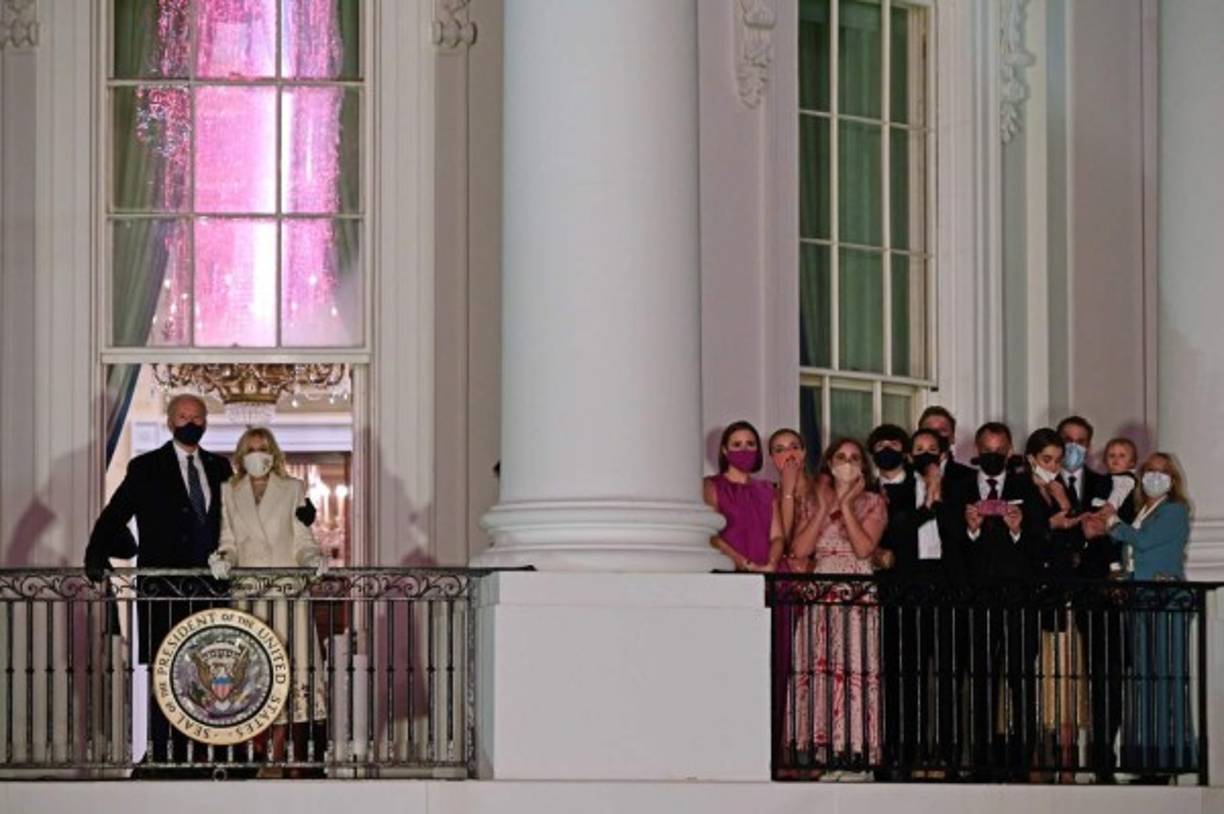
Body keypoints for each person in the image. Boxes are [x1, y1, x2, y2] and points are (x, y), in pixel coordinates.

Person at [84, 393, 233, 773]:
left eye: (198, 417)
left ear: (205, 423)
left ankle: (206, 757)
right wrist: (96, 553)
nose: (191, 422)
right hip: (162, 591)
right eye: (183, 416)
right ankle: (162, 756)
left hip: (212, 593)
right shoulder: (146, 467)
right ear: (170, 421)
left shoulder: (221, 468)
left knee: (211, 674)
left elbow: (245, 516)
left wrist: (300, 514)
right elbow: (115, 513)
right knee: (164, 674)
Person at [210, 427, 328, 776]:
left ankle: (279, 757)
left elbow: (303, 541)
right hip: (248, 596)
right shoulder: (228, 492)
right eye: (250, 448)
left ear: (273, 452)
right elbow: (228, 540)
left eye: (263, 448)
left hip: (287, 593)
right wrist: (222, 560)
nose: (257, 454)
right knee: (253, 675)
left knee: (290, 673)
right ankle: (256, 756)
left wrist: (313, 561)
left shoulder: (292, 489)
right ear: (240, 454)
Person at [784, 438, 887, 769]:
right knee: (821, 668)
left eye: (854, 458)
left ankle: (855, 750)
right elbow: (799, 550)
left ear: (863, 466)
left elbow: (862, 548)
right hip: (822, 588)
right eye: (840, 457)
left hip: (856, 590)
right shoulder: (813, 502)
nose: (847, 462)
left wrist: (846, 504)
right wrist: (824, 506)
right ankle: (820, 749)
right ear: (829, 463)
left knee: (855, 669)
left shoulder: (873, 502)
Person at [874, 425, 966, 778]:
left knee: (946, 673)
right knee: (904, 672)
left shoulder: (956, 489)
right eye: (919, 449)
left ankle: (947, 754)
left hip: (945, 585)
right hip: (906, 587)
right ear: (910, 456)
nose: (925, 455)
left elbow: (960, 534)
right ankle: (904, 753)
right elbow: (895, 530)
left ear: (943, 455)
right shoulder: (895, 490)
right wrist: (925, 505)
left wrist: (938, 493)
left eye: (933, 449)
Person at [1102, 452, 1195, 782]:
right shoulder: (1143, 510)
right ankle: (1145, 757)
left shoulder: (1174, 510)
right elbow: (1139, 556)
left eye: (1162, 471)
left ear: (1172, 478)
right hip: (1141, 599)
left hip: (1167, 601)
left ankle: (1175, 756)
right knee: (1143, 678)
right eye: (1150, 471)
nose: (1155, 476)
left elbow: (1144, 542)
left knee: (1167, 675)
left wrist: (1113, 524)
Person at [963, 421, 1043, 778]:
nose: (993, 455)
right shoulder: (961, 485)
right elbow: (949, 541)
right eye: (987, 449)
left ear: (1010, 452)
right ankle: (980, 757)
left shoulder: (1026, 485)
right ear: (977, 452)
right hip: (977, 596)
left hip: (1018, 595)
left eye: (1000, 450)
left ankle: (1023, 757)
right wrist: (972, 528)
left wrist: (1017, 529)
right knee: (980, 676)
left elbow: (1041, 538)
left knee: (1020, 675)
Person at [1056, 416, 1124, 781]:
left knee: (1105, 671)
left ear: (1091, 444)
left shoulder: (1106, 484)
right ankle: (1052, 759)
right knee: (1052, 679)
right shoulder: (1040, 482)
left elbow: (1120, 532)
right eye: (1067, 439)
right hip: (1055, 589)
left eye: (1081, 440)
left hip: (1097, 591)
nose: (1073, 446)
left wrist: (1101, 534)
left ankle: (1102, 758)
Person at [1025, 428, 1088, 781]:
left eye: (1058, 459)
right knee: (1033, 677)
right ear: (1032, 457)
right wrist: (1050, 522)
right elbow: (1025, 536)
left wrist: (1063, 500)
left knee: (1064, 675)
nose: (1053, 465)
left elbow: (1076, 527)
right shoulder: (1021, 486)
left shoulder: (1063, 486)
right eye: (1047, 459)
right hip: (1033, 588)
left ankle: (1067, 764)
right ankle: (1034, 761)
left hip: (1063, 588)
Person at [703, 421, 784, 572]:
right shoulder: (711, 485)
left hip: (768, 571)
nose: (744, 449)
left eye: (750, 444)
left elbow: (777, 536)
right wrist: (744, 563)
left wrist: (771, 563)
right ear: (725, 450)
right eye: (737, 444)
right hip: (728, 570)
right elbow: (710, 534)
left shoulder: (766, 489)